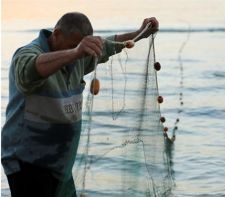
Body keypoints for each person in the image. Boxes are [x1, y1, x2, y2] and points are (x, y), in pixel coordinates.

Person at [1, 12, 159, 197]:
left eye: (81, 49)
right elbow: (29, 69)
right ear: (56, 34)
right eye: (72, 46)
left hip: (60, 164)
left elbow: (109, 45)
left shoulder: (79, 57)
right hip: (27, 163)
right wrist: (76, 52)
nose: (78, 56)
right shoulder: (27, 53)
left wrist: (140, 33)